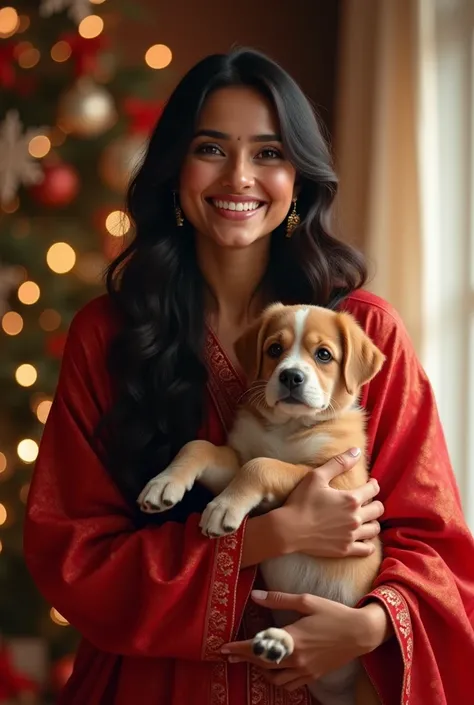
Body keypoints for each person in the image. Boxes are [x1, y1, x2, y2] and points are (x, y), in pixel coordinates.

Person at [24, 47, 474, 705]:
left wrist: (365, 627)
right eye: (211, 148)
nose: (239, 176)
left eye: (268, 153)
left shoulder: (365, 332)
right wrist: (269, 535)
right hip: (153, 687)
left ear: (299, 178)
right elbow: (74, 555)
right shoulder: (109, 336)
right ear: (175, 167)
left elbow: (434, 541)